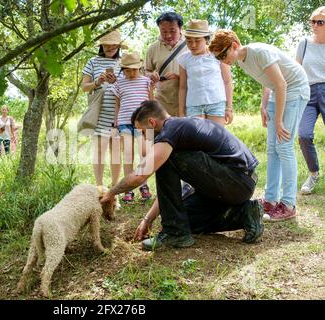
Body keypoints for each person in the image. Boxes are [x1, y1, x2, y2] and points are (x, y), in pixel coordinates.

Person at [100, 100, 263, 251]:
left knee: (166, 159)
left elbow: (139, 175)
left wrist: (111, 192)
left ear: (152, 122)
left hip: (236, 180)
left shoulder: (169, 132)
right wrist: (148, 219)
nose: (143, 138)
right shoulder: (178, 128)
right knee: (184, 218)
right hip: (237, 183)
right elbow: (172, 192)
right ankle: (244, 214)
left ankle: (175, 234)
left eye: (143, 132)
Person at [209, 30, 310, 222]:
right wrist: (264, 106)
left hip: (295, 88)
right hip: (277, 92)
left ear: (234, 46)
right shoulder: (242, 60)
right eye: (218, 58)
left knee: (284, 146)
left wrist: (279, 120)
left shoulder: (259, 52)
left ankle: (289, 204)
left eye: (223, 54)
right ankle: (271, 200)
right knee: (272, 149)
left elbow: (281, 84)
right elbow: (269, 82)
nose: (222, 60)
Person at [81, 30, 125, 189]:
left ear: (119, 45)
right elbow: (84, 87)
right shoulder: (93, 62)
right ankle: (99, 187)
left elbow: (131, 85)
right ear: (102, 45)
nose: (111, 47)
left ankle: (115, 187)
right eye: (107, 45)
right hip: (99, 114)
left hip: (119, 114)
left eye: (114, 45)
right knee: (99, 152)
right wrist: (97, 82)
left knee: (115, 152)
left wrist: (116, 83)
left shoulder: (125, 62)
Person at [112, 52, 153, 202]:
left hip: (143, 123)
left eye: (134, 69)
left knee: (144, 153)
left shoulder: (146, 82)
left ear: (140, 68)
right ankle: (128, 188)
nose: (131, 72)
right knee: (128, 154)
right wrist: (116, 122)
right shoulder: (119, 83)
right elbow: (117, 104)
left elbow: (151, 102)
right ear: (123, 69)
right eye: (127, 70)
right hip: (124, 122)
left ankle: (143, 184)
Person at [178, 20, 233, 125]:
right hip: (194, 105)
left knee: (216, 138)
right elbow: (182, 87)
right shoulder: (183, 59)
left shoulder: (218, 54)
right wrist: (181, 112)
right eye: (189, 41)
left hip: (216, 103)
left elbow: (227, 82)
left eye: (197, 40)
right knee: (196, 140)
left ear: (206, 39)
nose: (193, 45)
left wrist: (229, 108)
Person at [296, 6, 325, 195]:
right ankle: (314, 173)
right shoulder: (304, 43)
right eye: (312, 21)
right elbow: (296, 69)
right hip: (307, 92)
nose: (314, 25)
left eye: (319, 22)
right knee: (304, 134)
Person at [145, 12, 187, 116]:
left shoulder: (191, 44)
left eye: (172, 31)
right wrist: (151, 75)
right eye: (163, 31)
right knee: (162, 131)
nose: (168, 35)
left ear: (180, 28)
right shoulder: (153, 48)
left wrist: (179, 77)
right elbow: (146, 71)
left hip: (187, 100)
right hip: (162, 102)